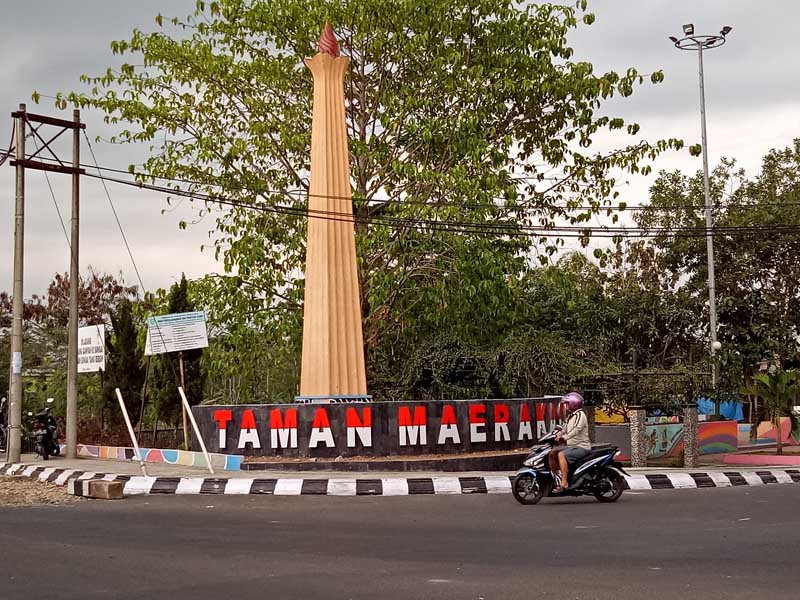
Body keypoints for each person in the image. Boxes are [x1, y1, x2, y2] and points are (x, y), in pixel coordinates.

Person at [548, 392, 590, 493]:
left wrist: (564, 437)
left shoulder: (580, 415)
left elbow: (576, 430)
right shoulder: (571, 416)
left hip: (581, 447)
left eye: (567, 404)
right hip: (571, 446)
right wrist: (557, 435)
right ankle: (558, 476)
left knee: (561, 454)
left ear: (573, 404)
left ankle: (564, 482)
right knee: (552, 453)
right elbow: (564, 428)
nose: (566, 406)